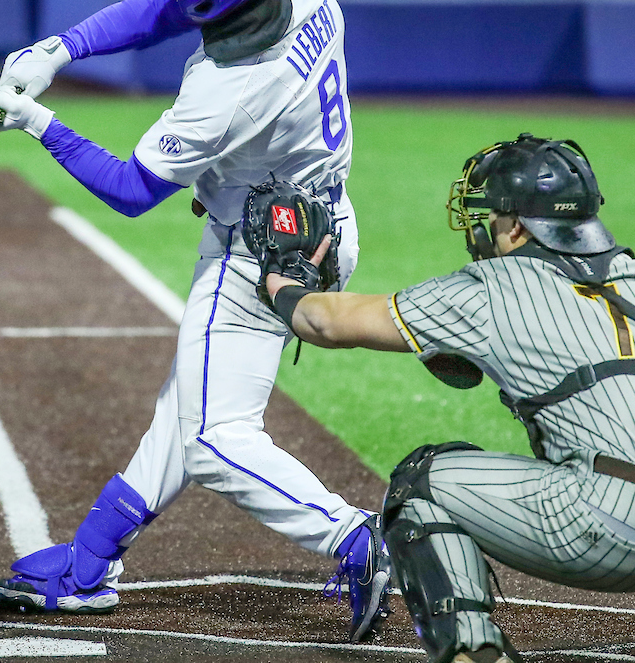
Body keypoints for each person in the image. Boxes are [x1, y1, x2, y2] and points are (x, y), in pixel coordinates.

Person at [0, 0, 390, 642]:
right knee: (187, 411)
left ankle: (360, 541)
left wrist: (40, 124)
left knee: (213, 437)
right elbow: (167, 10)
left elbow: (131, 191)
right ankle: (88, 564)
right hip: (314, 221)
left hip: (258, 256)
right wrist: (61, 50)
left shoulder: (228, 92)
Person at [258, 133, 635, 663]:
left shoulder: (491, 287)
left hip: (606, 524)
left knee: (422, 482)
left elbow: (326, 323)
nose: (483, 227)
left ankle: (472, 652)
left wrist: (282, 283)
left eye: (492, 216)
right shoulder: (630, 271)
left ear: (518, 226)